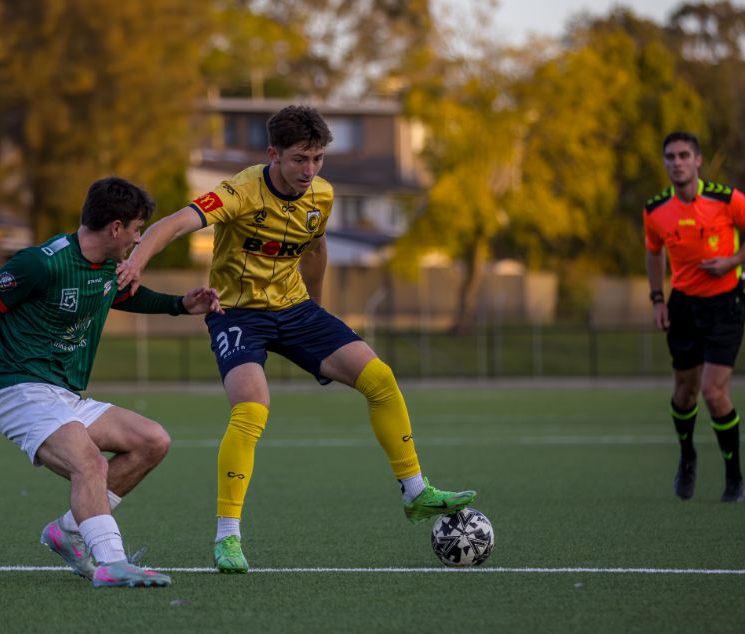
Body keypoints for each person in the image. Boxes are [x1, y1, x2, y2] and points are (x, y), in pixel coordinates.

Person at [116, 105, 477, 573]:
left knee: (380, 378)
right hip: (238, 314)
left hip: (296, 309)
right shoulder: (240, 191)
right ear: (274, 154)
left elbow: (317, 247)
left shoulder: (321, 195)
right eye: (300, 159)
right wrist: (138, 261)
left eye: (317, 159)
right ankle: (227, 537)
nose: (310, 170)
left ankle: (415, 493)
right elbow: (173, 224)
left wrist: (320, 309)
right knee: (252, 409)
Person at [0, 176, 223, 588]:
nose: (138, 238)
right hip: (18, 391)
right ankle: (111, 563)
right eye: (137, 229)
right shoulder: (41, 262)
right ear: (115, 228)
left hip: (65, 397)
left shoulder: (108, 267)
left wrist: (180, 305)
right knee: (87, 461)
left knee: (152, 440)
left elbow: (121, 295)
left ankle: (69, 530)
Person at [644, 131, 745, 503]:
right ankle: (688, 455)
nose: (677, 162)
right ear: (664, 163)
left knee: (713, 391)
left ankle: (734, 477)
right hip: (684, 307)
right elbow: (654, 252)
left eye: (683, 155)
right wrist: (658, 299)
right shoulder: (655, 210)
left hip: (726, 305)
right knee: (685, 392)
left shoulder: (726, 200)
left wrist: (733, 261)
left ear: (698, 160)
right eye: (670, 157)